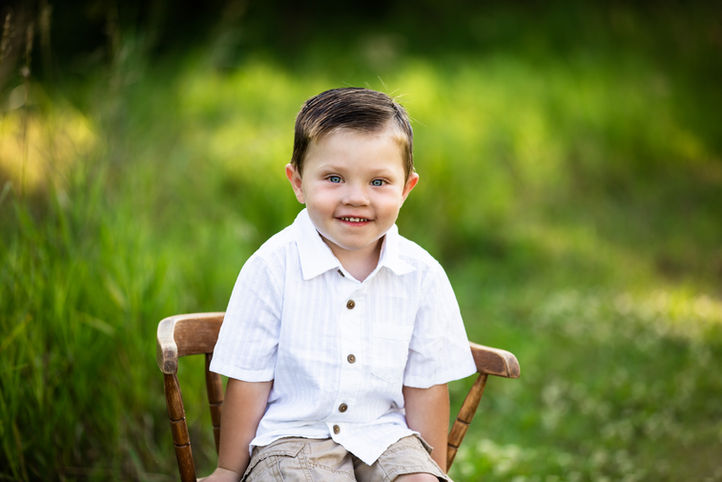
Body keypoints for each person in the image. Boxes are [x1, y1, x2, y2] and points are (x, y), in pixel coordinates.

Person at [205, 87, 476, 481]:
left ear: (406, 188)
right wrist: (229, 470)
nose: (356, 198)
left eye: (379, 182)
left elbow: (427, 385)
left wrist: (428, 471)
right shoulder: (271, 267)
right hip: (293, 438)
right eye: (334, 178)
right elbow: (249, 378)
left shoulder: (421, 274)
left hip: (386, 437)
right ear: (298, 182)